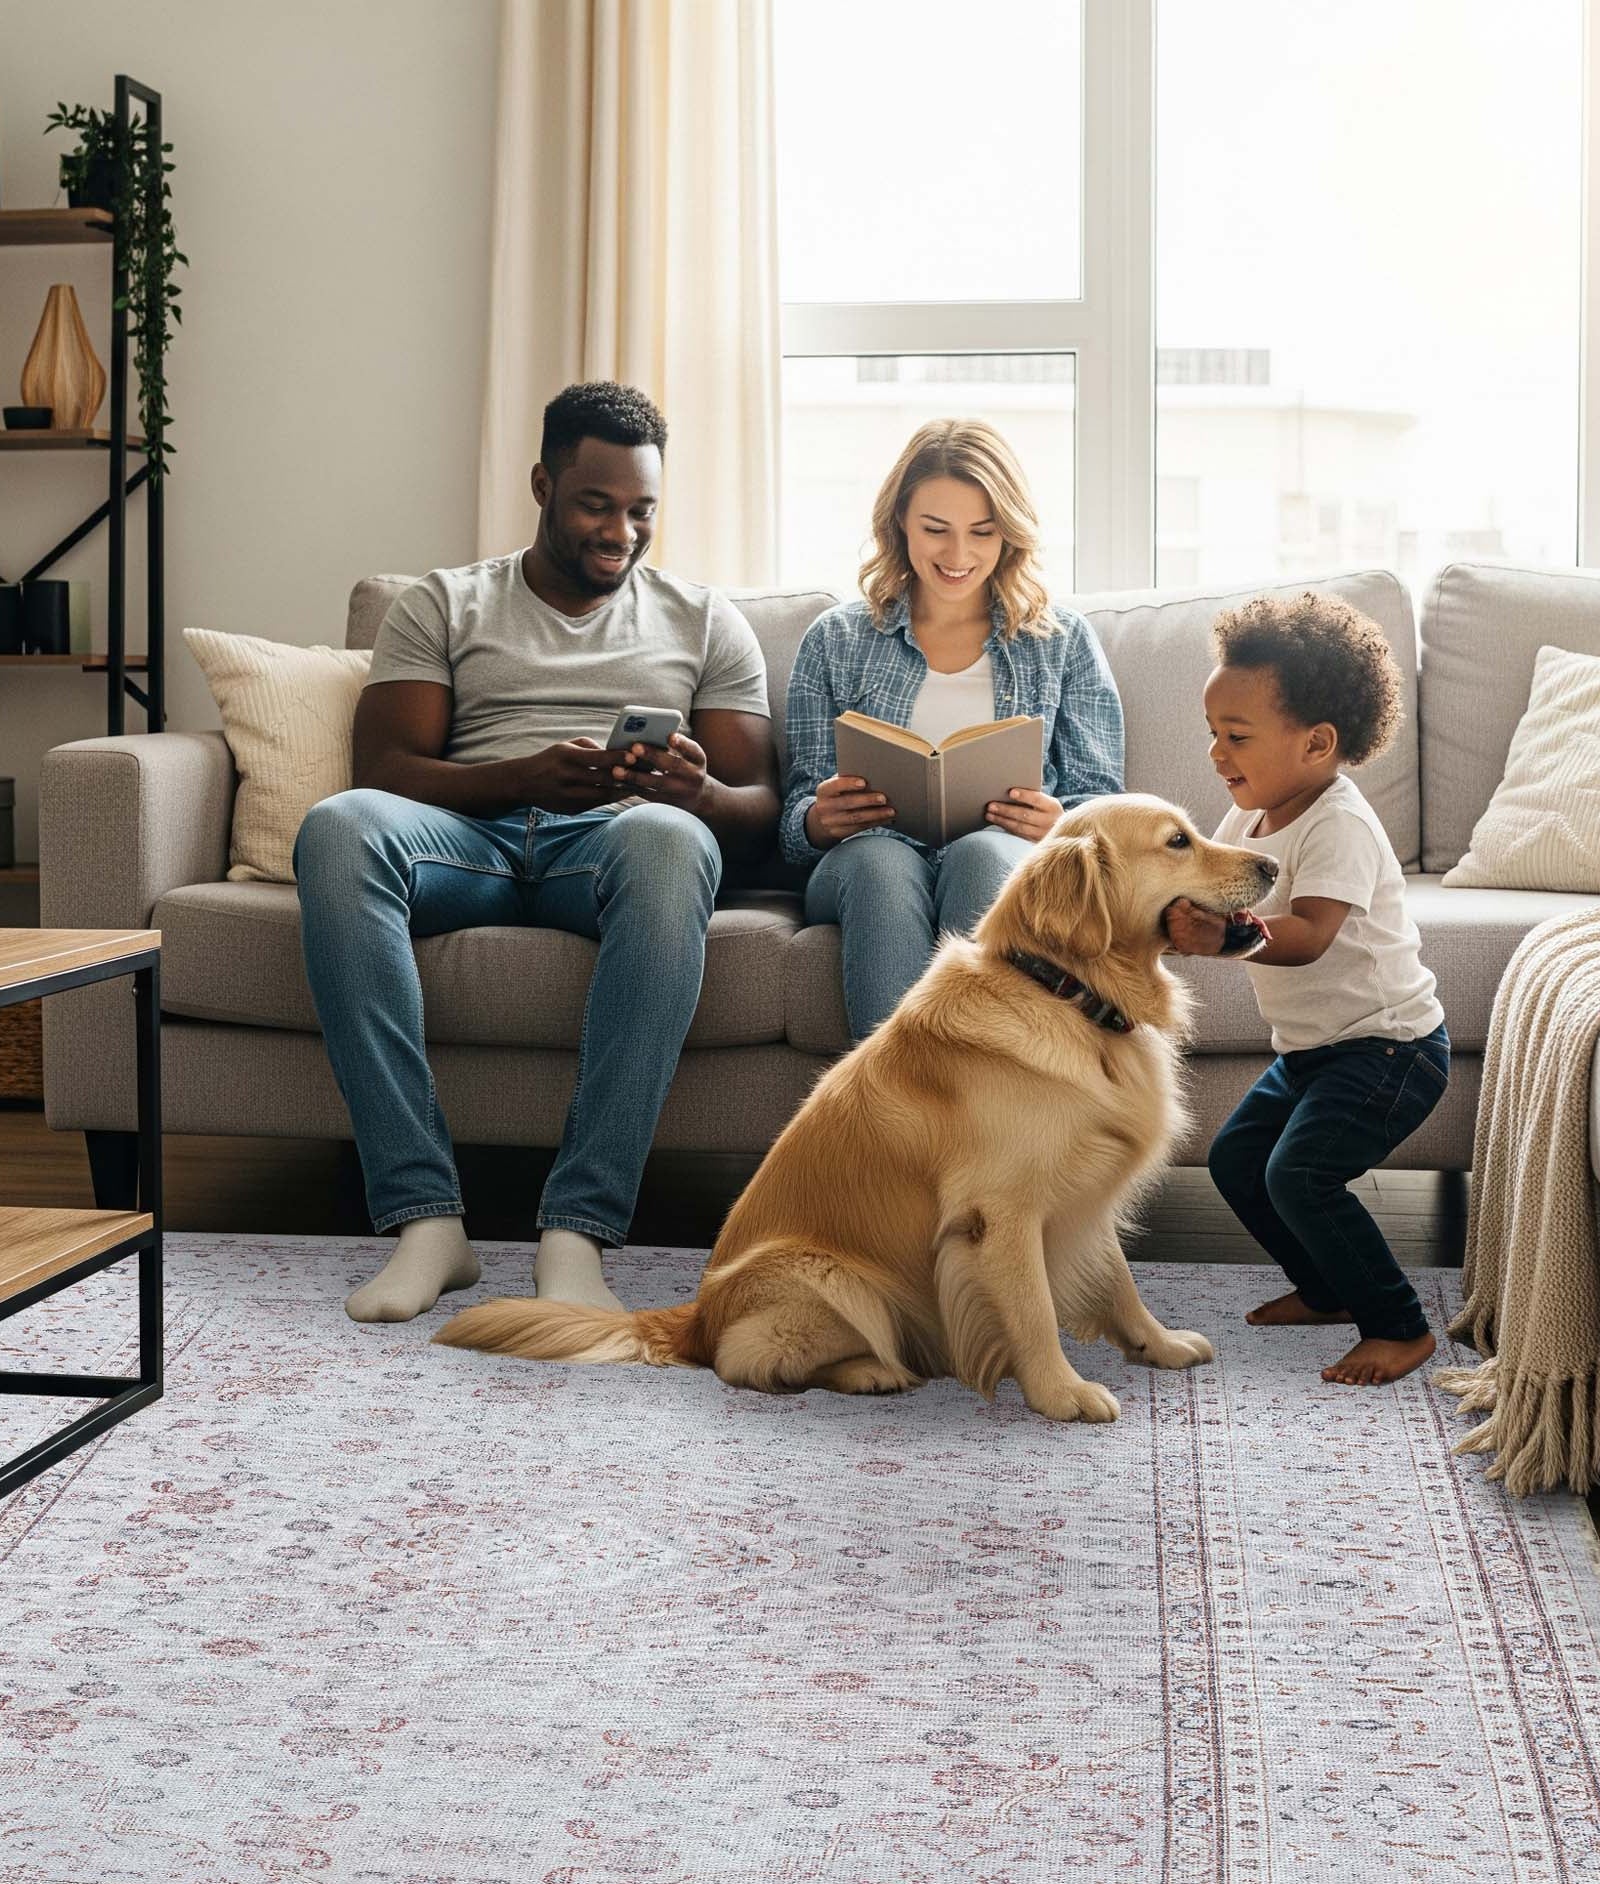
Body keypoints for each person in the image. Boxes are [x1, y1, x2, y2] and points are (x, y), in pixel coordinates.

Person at [294, 381, 779, 1324]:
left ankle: (579, 1231)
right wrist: (521, 777)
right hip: (468, 838)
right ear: (542, 485)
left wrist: (698, 793)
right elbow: (382, 766)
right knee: (339, 826)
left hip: (611, 845)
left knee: (671, 840)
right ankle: (426, 1221)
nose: (621, 532)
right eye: (596, 504)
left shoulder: (703, 619)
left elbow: (761, 808)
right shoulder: (441, 603)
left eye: (641, 510)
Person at [1165, 592, 1450, 1387]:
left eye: (1239, 736)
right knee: (1236, 1161)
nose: (1219, 753)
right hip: (1314, 1052)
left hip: (1389, 1049)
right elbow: (1204, 890)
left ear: (1318, 743)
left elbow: (1310, 932)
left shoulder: (1338, 823)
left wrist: (1221, 937)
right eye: (1214, 734)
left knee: (1300, 1173)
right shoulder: (1243, 821)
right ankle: (1326, 1290)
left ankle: (1398, 1324)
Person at [780, 418, 1123, 1041]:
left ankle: (976, 1115)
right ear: (900, 525)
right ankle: (891, 1116)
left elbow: (1101, 806)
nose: (958, 556)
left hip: (1000, 854)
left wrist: (1060, 828)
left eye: (982, 533)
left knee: (983, 855)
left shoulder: (1063, 642)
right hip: (864, 863)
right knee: (882, 865)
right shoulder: (835, 639)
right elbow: (796, 817)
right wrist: (815, 820)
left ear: (1009, 535)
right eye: (935, 530)